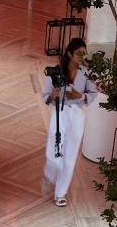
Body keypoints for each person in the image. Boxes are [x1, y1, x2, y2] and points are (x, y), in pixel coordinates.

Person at [41, 38, 97, 206]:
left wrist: (80, 96)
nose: (81, 56)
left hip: (77, 115)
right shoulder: (57, 72)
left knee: (70, 155)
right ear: (69, 54)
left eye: (83, 53)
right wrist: (54, 96)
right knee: (55, 148)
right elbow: (46, 96)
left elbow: (92, 94)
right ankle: (50, 171)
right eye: (78, 53)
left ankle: (60, 193)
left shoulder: (86, 73)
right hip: (59, 112)